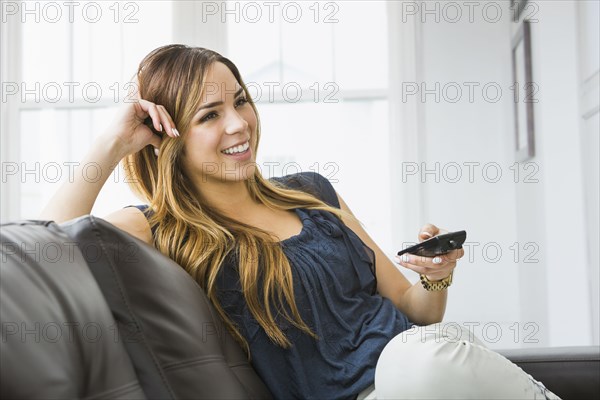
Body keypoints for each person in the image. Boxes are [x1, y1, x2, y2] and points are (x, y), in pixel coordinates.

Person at [40, 44, 560, 400]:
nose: (239, 123)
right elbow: (41, 251)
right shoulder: (157, 227)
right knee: (416, 363)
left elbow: (415, 311)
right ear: (169, 134)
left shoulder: (312, 191)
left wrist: (436, 274)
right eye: (210, 114)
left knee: (418, 358)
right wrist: (112, 141)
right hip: (378, 385)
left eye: (240, 100)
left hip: (425, 371)